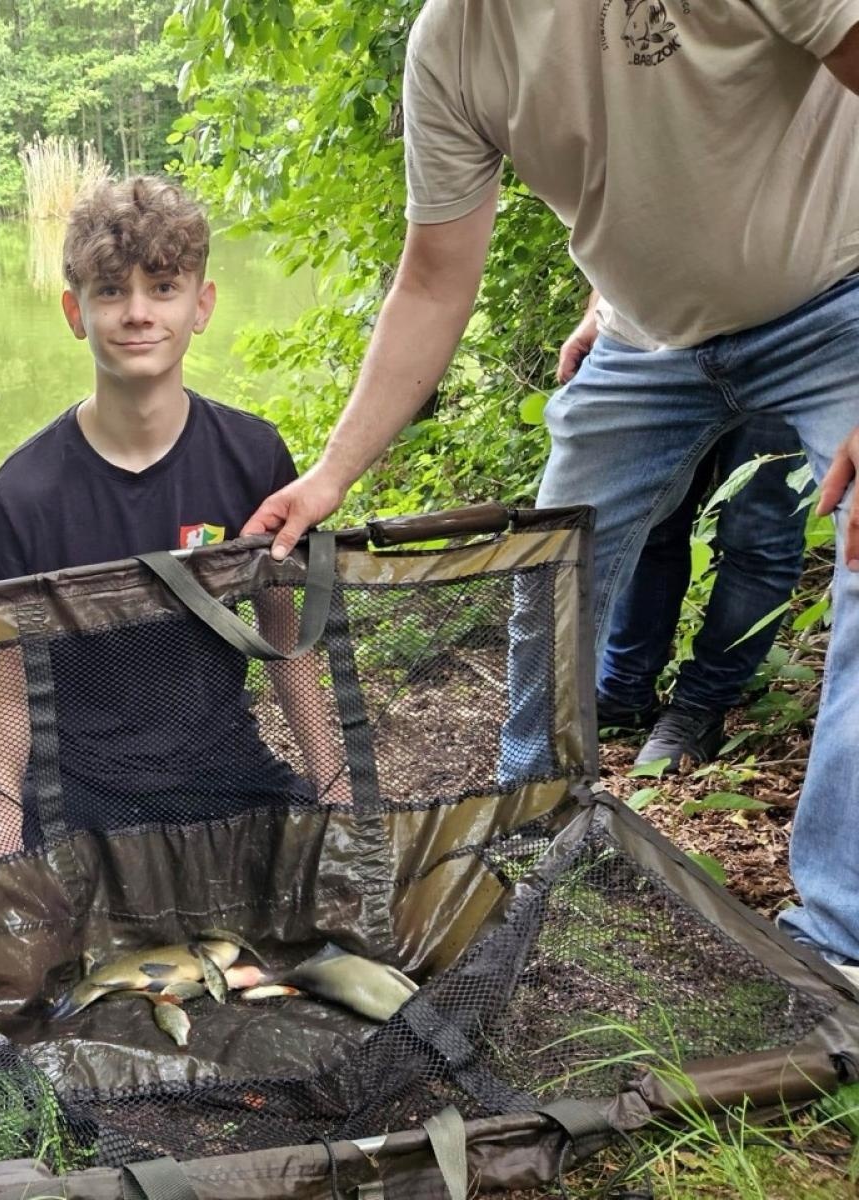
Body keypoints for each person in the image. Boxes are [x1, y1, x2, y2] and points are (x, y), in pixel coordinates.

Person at [239, 3, 859, 982]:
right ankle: (527, 851)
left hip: (836, 299)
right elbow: (435, 280)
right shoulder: (451, 46)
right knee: (548, 568)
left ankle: (838, 940)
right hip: (641, 340)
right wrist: (330, 472)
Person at [0, 176, 342, 869]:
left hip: (224, 767)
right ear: (75, 312)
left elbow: (286, 636)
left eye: (163, 288)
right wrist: (3, 820)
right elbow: (9, 676)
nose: (138, 312)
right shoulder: (24, 490)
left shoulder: (253, 455)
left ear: (202, 305)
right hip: (80, 790)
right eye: (111, 291)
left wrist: (335, 783)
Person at [563, 301, 810, 770]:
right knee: (652, 520)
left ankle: (700, 708)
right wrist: (598, 310)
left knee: (758, 534)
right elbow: (620, 228)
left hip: (793, 324)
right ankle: (623, 689)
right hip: (658, 330)